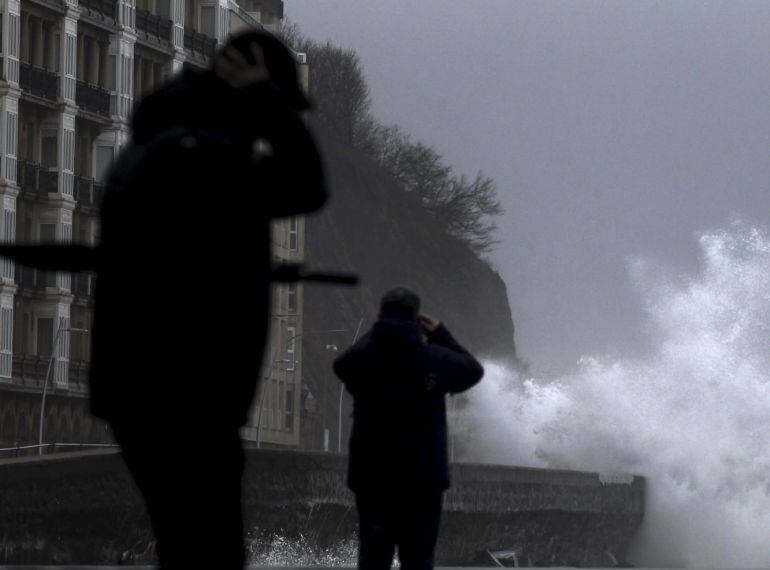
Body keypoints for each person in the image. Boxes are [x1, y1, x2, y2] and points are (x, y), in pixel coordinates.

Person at [0, 30, 326, 569]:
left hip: (142, 383)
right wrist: (269, 101)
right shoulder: (199, 157)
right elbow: (307, 185)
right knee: (209, 540)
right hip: (189, 382)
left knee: (184, 533)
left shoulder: (153, 148)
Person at [333, 287, 484, 570]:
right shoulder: (433, 359)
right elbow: (472, 370)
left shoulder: (367, 359)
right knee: (418, 559)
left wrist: (377, 334)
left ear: (380, 316)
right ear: (416, 319)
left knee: (373, 558)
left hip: (374, 476)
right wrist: (440, 333)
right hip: (422, 479)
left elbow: (342, 364)